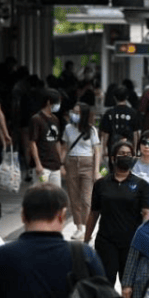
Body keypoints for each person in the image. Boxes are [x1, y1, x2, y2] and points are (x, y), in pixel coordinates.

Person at [84, 140, 149, 285]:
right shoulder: (101, 184)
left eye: (129, 154)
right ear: (113, 158)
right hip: (106, 242)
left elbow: (146, 213)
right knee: (104, 285)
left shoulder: (142, 185)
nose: (125, 156)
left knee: (129, 286)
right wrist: (86, 239)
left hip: (132, 243)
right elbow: (94, 213)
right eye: (121, 154)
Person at [62, 102, 101, 240]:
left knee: (86, 198)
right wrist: (62, 164)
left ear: (83, 115)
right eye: (74, 112)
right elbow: (65, 148)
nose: (74, 115)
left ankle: (88, 226)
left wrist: (96, 170)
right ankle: (79, 227)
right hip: (71, 162)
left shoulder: (91, 130)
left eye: (77, 112)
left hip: (87, 163)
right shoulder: (68, 128)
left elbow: (97, 150)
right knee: (73, 197)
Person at [29, 87, 63, 186]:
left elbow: (57, 142)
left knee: (56, 194)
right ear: (48, 102)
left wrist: (60, 162)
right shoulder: (36, 119)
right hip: (43, 165)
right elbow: (32, 142)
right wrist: (38, 164)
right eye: (57, 102)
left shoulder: (55, 119)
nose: (58, 105)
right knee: (41, 193)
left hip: (55, 165)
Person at [100, 84, 141, 157]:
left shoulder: (109, 113)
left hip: (112, 149)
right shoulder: (133, 113)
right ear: (127, 96)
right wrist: (135, 150)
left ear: (114, 97)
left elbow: (105, 133)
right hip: (128, 148)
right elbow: (135, 133)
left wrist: (103, 149)